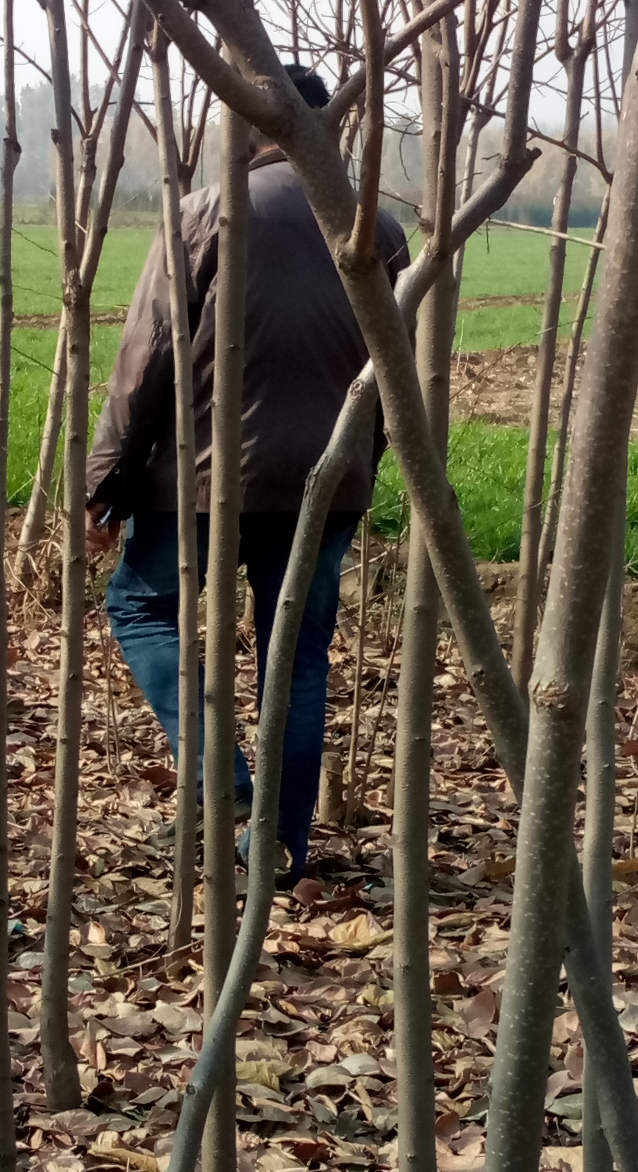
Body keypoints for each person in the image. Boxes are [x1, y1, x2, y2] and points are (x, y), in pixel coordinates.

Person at [86, 69, 406, 878]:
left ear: (251, 129)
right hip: (327, 482)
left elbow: (146, 360)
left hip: (202, 482)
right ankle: (279, 851)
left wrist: (104, 484)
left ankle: (222, 778)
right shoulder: (381, 232)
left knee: (142, 605)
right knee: (295, 660)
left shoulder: (205, 213)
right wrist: (366, 466)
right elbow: (401, 371)